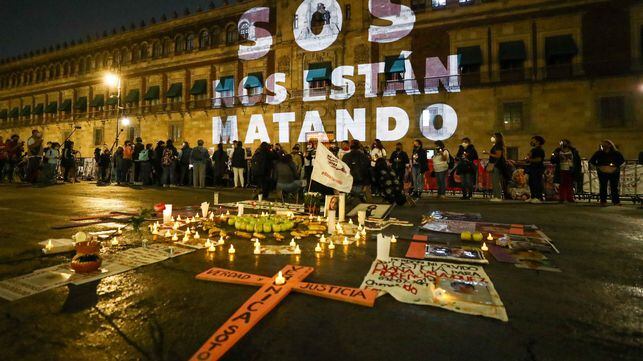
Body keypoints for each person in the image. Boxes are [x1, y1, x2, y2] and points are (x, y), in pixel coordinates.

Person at [589, 140, 625, 206]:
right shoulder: (598, 153)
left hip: (614, 172)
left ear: (610, 145)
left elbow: (622, 161)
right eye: (603, 144)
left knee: (614, 186)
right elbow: (592, 161)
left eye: (606, 144)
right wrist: (599, 167)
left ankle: (616, 201)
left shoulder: (616, 153)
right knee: (603, 186)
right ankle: (603, 201)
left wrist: (615, 167)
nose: (604, 145)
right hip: (602, 172)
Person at [485, 132, 507, 202]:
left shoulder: (498, 146)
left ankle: (497, 196)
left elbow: (498, 155)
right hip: (496, 165)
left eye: (494, 136)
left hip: (497, 165)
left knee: (496, 181)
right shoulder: (497, 145)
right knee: (495, 181)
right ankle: (496, 196)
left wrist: (488, 153)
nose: (492, 138)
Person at [525, 135, 546, 203]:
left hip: (537, 168)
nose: (531, 141)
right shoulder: (534, 149)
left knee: (536, 182)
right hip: (532, 168)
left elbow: (539, 159)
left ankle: (538, 197)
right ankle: (533, 196)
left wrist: (530, 160)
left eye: (533, 140)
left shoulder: (539, 150)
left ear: (538, 141)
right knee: (531, 182)